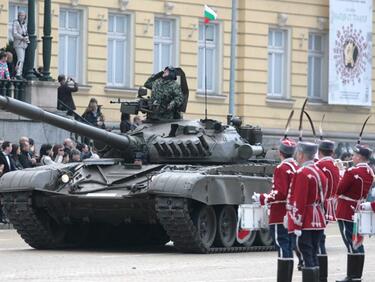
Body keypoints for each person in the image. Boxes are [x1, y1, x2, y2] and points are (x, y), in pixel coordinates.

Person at [252, 138, 298, 282]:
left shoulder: (282, 168)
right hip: (290, 213)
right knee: (288, 246)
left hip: (279, 213)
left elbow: (280, 193)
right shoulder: (296, 167)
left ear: (280, 152)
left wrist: (262, 198)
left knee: (282, 245)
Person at [287, 141, 327, 281]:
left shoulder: (302, 172)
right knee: (314, 254)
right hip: (318, 218)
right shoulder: (319, 172)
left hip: (306, 220)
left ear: (301, 154)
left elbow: (299, 199)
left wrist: (296, 224)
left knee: (306, 254)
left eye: (297, 153)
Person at [335, 144, 374, 282]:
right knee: (358, 242)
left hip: (346, 210)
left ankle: (352, 275)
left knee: (350, 243)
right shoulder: (370, 172)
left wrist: (340, 171)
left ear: (359, 157)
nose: (352, 157)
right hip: (359, 209)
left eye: (354, 155)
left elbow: (339, 189)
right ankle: (357, 275)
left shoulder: (351, 172)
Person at [315, 140, 340, 282]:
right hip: (329, 203)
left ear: (319, 151)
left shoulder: (319, 165)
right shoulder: (334, 165)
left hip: (318, 205)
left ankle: (316, 271)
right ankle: (322, 274)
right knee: (320, 238)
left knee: (314, 241)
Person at [12, 11, 29, 79]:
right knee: (20, 59)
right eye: (21, 15)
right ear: (18, 16)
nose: (22, 17)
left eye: (23, 15)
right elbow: (14, 33)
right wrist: (22, 37)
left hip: (23, 44)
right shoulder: (15, 23)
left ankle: (19, 72)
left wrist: (26, 38)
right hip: (18, 44)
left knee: (22, 59)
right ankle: (18, 73)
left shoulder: (24, 24)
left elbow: (26, 33)